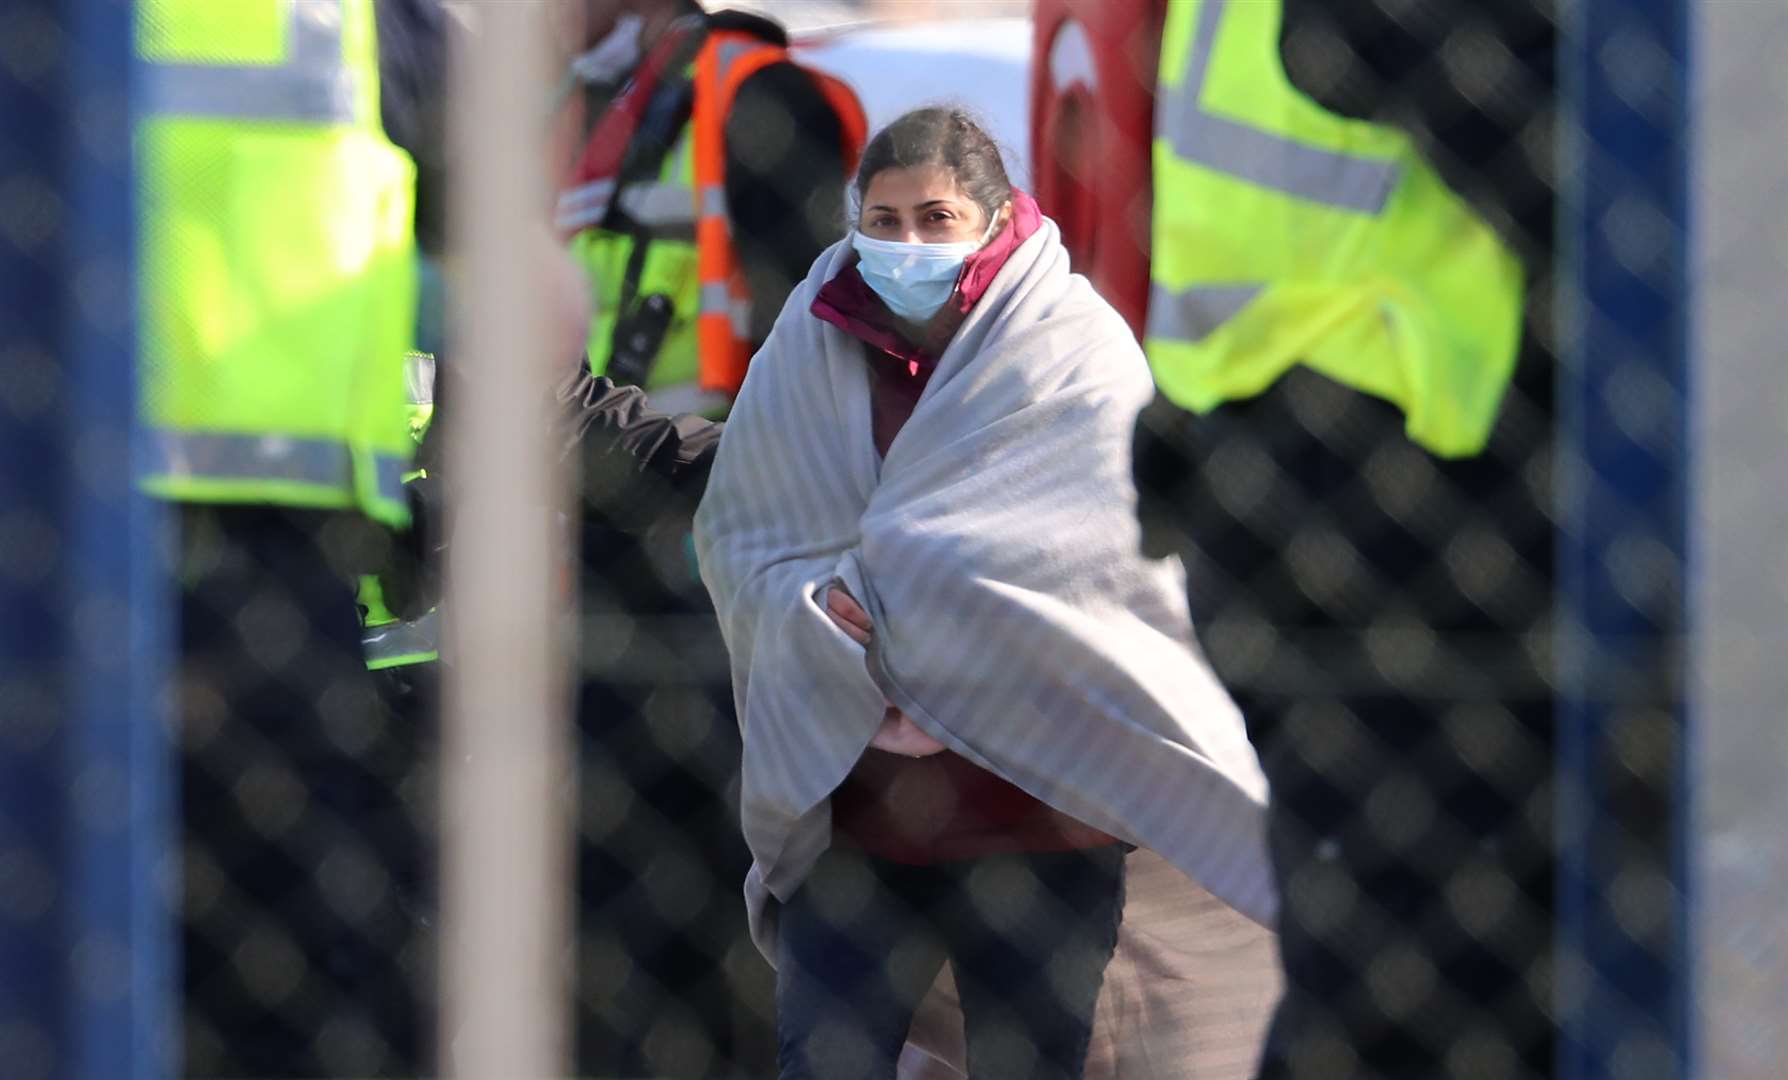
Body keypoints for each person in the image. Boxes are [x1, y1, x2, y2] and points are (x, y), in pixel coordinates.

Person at [692, 107, 1276, 1080]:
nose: (907, 243)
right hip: (858, 815)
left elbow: (1100, 554)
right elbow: (745, 532)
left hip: (1037, 818)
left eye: (936, 216)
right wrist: (808, 606)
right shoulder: (811, 334)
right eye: (882, 220)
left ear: (996, 217)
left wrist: (896, 588)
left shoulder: (1073, 347)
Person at [1132, 1, 1551, 1076]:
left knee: (1382, 942)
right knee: (1441, 962)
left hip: (1280, 479)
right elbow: (1569, 171)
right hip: (1397, 491)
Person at [137, 0, 447, 1074]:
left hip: (58, 523)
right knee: (293, 969)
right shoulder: (361, 21)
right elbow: (508, 276)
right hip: (276, 551)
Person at [555, 0, 867, 416]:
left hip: (713, 444)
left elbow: (805, 298)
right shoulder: (609, 92)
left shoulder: (760, 90)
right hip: (598, 430)